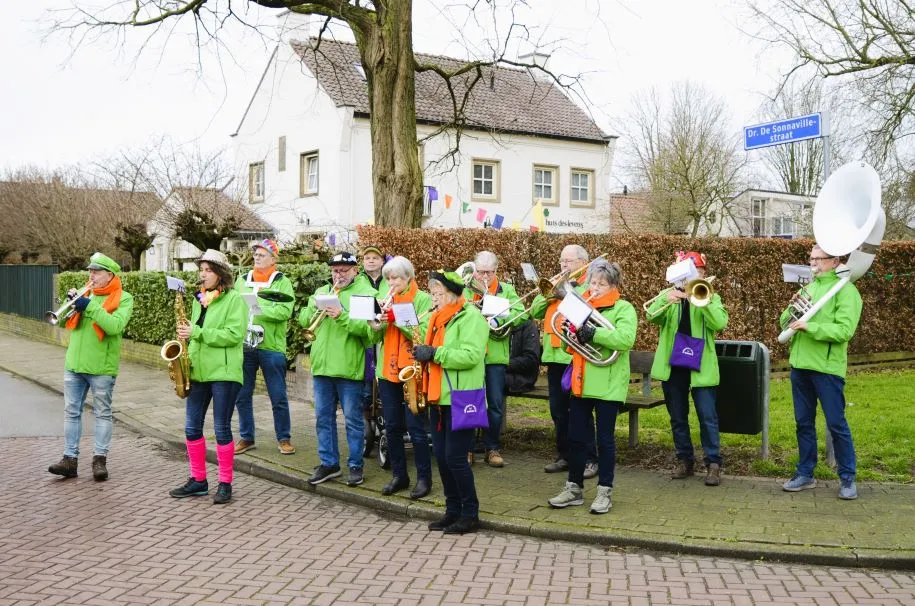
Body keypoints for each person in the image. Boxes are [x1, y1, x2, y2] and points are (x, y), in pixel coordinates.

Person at [548, 260, 637, 514]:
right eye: (593, 283)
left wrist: (593, 334)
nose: (595, 288)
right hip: (581, 381)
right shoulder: (582, 307)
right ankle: (573, 487)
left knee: (604, 440)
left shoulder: (624, 308)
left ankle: (604, 491)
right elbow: (568, 347)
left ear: (613, 285)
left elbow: (625, 339)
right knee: (576, 438)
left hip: (609, 384)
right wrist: (570, 335)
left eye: (601, 284)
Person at [780, 244, 863, 500]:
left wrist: (811, 327)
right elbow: (785, 323)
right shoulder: (809, 288)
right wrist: (790, 309)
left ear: (835, 260)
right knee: (803, 423)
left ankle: (847, 477)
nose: (812, 263)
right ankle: (805, 473)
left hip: (827, 369)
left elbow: (844, 331)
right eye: (811, 258)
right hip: (800, 366)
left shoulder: (847, 291)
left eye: (818, 259)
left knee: (836, 424)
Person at [169, 249, 248, 504]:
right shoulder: (198, 299)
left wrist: (198, 332)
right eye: (201, 270)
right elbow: (194, 334)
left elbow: (234, 335)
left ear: (220, 274)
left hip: (224, 372)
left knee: (221, 428)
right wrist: (185, 352)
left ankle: (225, 483)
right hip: (199, 371)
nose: (202, 275)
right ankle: (199, 480)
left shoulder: (235, 299)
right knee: (191, 428)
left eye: (208, 270)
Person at [48, 252, 134, 481]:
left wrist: (91, 307)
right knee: (71, 412)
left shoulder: (124, 298)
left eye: (96, 272)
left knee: (102, 413)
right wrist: (70, 304)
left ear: (110, 275)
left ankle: (99, 460)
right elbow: (65, 323)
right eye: (90, 271)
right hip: (74, 364)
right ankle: (69, 460)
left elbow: (114, 326)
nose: (91, 276)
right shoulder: (86, 293)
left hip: (101, 368)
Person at [645, 250, 728, 486]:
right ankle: (685, 460)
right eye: (690, 272)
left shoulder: (711, 296)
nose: (694, 276)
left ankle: (713, 463)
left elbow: (720, 323)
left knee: (707, 416)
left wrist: (703, 302)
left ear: (703, 273)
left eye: (698, 271)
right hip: (674, 364)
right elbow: (651, 317)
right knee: (678, 417)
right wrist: (665, 299)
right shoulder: (669, 294)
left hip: (700, 365)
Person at [414, 270, 488, 534]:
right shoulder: (436, 318)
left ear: (454, 294)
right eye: (432, 293)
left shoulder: (472, 318)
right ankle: (452, 510)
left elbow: (470, 355)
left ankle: (471, 513)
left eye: (438, 293)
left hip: (462, 396)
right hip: (439, 395)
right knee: (442, 458)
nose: (433, 298)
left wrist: (434, 353)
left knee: (456, 458)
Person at [299, 251, 379, 487]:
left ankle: (355, 465)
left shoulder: (367, 294)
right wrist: (313, 307)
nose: (339, 274)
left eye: (344, 270)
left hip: (348, 368)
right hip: (322, 367)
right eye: (335, 270)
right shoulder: (321, 291)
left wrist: (342, 316)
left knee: (353, 421)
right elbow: (304, 321)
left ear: (356, 270)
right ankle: (329, 463)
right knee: (323, 418)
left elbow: (369, 332)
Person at [529, 244, 599, 478]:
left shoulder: (590, 286)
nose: (563, 265)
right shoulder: (554, 284)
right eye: (561, 261)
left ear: (582, 262)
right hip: (553, 356)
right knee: (558, 411)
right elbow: (535, 311)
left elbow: (586, 313)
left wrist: (567, 292)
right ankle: (565, 455)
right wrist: (548, 294)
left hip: (575, 356)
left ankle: (590, 458)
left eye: (568, 261)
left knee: (580, 411)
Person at [371, 256, 434, 499]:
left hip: (412, 371)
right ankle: (399, 475)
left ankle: (424, 478)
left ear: (408, 277)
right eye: (388, 278)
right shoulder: (386, 300)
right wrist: (375, 323)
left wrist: (397, 320)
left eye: (395, 277)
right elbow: (374, 339)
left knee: (417, 429)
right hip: (387, 371)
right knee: (393, 426)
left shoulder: (422, 299)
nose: (391, 282)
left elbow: (423, 333)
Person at [233, 239, 297, 456]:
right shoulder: (242, 280)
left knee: (278, 395)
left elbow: (284, 312)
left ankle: (284, 438)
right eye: (256, 254)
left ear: (273, 258)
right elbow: (233, 308)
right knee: (242, 394)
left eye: (262, 254)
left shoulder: (282, 282)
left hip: (271, 346)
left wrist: (258, 308)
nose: (257, 257)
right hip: (244, 345)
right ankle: (247, 437)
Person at [465, 250, 525, 467]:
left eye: (489, 272)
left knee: (495, 404)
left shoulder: (506, 290)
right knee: (471, 401)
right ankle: (468, 447)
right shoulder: (466, 289)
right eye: (480, 272)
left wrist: (500, 317)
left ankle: (492, 448)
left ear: (496, 270)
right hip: (471, 355)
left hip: (495, 356)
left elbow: (522, 313)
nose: (484, 277)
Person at [505, 318, 541, 396]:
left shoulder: (528, 326)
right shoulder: (496, 323)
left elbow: (531, 359)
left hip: (523, 378)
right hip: (503, 374)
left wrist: (503, 364)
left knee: (493, 380)